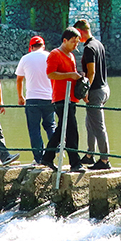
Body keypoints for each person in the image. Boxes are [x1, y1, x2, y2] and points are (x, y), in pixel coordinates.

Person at [40, 28, 84, 172]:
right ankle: (75, 162)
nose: (75, 45)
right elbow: (50, 74)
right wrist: (71, 75)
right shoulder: (55, 54)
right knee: (71, 130)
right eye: (73, 42)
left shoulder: (70, 55)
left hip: (71, 97)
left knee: (62, 129)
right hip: (60, 97)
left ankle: (47, 158)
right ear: (64, 40)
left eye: (77, 43)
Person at [74, 19, 111, 170]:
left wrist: (86, 90)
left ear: (82, 32)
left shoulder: (89, 48)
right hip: (104, 88)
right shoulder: (98, 44)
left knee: (99, 127)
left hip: (95, 91)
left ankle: (104, 160)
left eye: (77, 34)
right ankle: (89, 155)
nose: (76, 38)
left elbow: (92, 71)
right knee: (90, 124)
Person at [15, 35, 56, 164]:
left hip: (32, 99)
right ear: (43, 46)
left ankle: (39, 158)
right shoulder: (50, 56)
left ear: (31, 47)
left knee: (34, 129)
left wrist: (21, 96)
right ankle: (56, 150)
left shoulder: (25, 58)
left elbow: (19, 79)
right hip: (49, 98)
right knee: (50, 126)